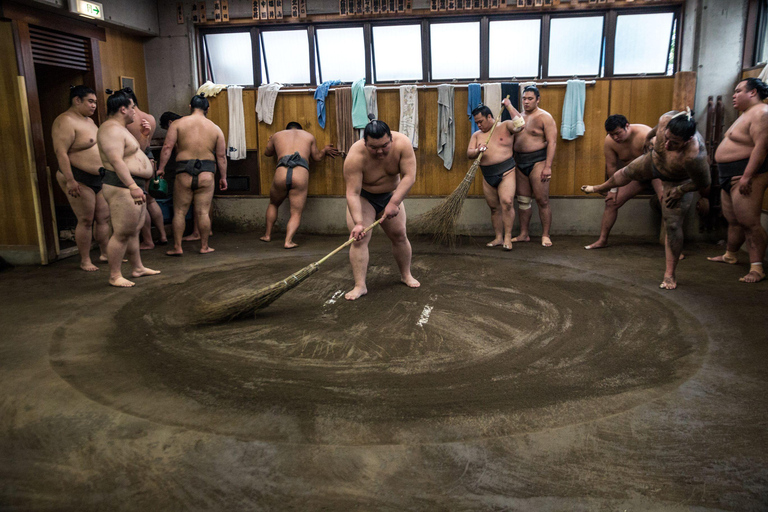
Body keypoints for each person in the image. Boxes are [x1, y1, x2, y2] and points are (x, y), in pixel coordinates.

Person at [582, 109, 711, 289]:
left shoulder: (694, 156)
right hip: (650, 164)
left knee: (671, 218)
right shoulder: (664, 121)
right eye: (665, 139)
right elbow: (613, 165)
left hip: (674, 180)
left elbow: (704, 183)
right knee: (616, 191)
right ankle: (600, 194)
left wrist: (680, 190)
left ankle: (670, 273)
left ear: (687, 141)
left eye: (673, 143)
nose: (666, 145)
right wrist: (651, 137)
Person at [343, 117, 420, 301]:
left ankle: (406, 274)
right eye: (374, 147)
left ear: (391, 139)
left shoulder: (402, 144)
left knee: (400, 235)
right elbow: (352, 193)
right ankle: (360, 285)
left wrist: (394, 202)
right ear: (365, 142)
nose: (380, 151)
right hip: (364, 198)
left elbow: (409, 176)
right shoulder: (355, 155)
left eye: (384, 146)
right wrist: (359, 222)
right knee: (359, 239)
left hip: (391, 195)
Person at [97, 89, 160, 287]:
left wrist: (144, 136)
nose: (135, 112)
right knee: (122, 233)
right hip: (122, 186)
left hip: (132, 185)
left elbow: (133, 155)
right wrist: (132, 185)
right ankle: (115, 275)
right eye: (133, 108)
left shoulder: (121, 129)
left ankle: (138, 267)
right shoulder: (110, 129)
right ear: (123, 109)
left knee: (134, 231)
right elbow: (116, 161)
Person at [709, 77, 768, 283]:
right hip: (729, 174)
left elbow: (761, 147)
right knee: (733, 220)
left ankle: (757, 268)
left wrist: (747, 176)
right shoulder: (746, 114)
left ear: (753, 92)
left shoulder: (762, 113)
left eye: (738, 91)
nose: (733, 95)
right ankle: (730, 255)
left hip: (745, 174)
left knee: (749, 223)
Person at [157, 94, 227, 256]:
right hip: (207, 172)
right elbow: (221, 156)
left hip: (183, 171)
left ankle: (177, 247)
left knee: (180, 212)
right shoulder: (215, 129)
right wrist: (223, 177)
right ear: (207, 109)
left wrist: (161, 168)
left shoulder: (177, 124)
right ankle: (204, 246)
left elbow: (167, 147)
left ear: (190, 107)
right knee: (203, 212)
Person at [51, 85, 110, 271]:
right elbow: (61, 153)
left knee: (103, 217)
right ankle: (85, 260)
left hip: (98, 178)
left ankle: (105, 252)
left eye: (95, 102)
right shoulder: (65, 121)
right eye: (90, 101)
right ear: (77, 100)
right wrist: (70, 180)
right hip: (77, 177)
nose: (94, 106)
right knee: (85, 219)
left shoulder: (90, 122)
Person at [585, 115, 662, 250]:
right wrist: (613, 190)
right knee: (611, 202)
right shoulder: (610, 142)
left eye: (617, 133)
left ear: (627, 126)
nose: (615, 137)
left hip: (656, 173)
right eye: (611, 134)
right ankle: (602, 240)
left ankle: (672, 248)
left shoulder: (645, 134)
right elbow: (612, 166)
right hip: (635, 176)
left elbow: (661, 161)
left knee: (666, 203)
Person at [260, 122, 340, 248]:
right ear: (300, 130)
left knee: (273, 203)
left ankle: (267, 235)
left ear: (286, 129)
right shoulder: (308, 136)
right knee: (296, 213)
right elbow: (317, 157)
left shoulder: (277, 135)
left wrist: (271, 142)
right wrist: (324, 150)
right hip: (300, 172)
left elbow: (267, 152)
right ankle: (288, 241)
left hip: (281, 171)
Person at [467, 99, 526, 250]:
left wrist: (509, 105)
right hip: (488, 175)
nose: (479, 125)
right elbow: (469, 153)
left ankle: (507, 237)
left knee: (507, 203)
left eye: (481, 121)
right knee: (494, 208)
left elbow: (521, 125)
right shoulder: (476, 135)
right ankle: (498, 237)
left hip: (506, 171)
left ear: (489, 117)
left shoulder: (505, 126)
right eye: (477, 122)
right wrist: (478, 150)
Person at [122, 89, 168, 250]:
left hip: (136, 160)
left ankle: (148, 240)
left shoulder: (127, 120)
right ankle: (162, 235)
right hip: (150, 160)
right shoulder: (149, 118)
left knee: (142, 202)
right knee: (151, 201)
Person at [512, 85, 558, 247]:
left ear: (537, 99)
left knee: (542, 200)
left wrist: (548, 166)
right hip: (519, 162)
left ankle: (545, 235)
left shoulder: (545, 117)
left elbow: (552, 142)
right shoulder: (518, 117)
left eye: (530, 99)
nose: (526, 102)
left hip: (538, 161)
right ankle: (524, 234)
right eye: (524, 98)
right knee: (523, 201)